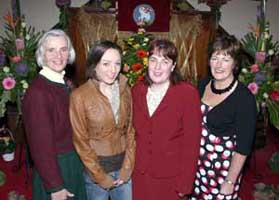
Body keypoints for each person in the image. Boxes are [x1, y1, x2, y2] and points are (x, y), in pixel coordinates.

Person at [132, 39, 202, 200]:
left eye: (165, 61)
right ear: (147, 62)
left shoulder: (187, 94)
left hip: (171, 178)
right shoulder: (137, 90)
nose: (157, 67)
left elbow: (192, 143)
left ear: (173, 65)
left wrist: (185, 183)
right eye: (153, 60)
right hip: (140, 175)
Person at [189, 37, 257, 200]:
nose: (219, 65)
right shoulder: (204, 84)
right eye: (215, 58)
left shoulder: (244, 98)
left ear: (234, 64)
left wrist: (230, 181)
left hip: (222, 172)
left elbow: (243, 147)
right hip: (197, 166)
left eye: (225, 59)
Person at [22, 29, 86, 200]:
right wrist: (55, 186)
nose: (58, 55)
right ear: (42, 55)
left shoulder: (64, 82)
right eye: (51, 50)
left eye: (63, 49)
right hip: (57, 168)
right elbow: (40, 146)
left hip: (73, 163)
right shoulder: (38, 92)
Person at [69, 40, 135, 200]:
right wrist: (100, 177)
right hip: (96, 175)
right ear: (95, 64)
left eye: (117, 64)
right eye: (106, 64)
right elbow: (80, 141)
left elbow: (130, 131)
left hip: (123, 171)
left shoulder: (125, 89)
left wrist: (127, 168)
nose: (113, 70)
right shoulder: (79, 96)